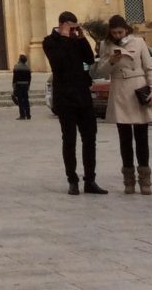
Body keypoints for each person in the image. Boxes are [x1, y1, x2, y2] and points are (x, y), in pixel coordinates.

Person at [42, 10, 107, 195]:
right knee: (69, 140)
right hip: (64, 98)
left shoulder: (77, 41)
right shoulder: (50, 42)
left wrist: (81, 38)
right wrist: (64, 38)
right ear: (62, 24)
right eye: (70, 26)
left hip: (83, 96)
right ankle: (72, 180)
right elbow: (58, 62)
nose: (73, 29)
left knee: (90, 139)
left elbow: (88, 58)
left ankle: (90, 180)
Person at [93, 14, 152, 194]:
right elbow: (101, 70)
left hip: (137, 89)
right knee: (124, 138)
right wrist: (112, 61)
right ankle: (128, 179)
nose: (117, 35)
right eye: (114, 32)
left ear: (126, 29)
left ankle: (145, 179)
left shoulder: (138, 42)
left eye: (120, 32)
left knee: (142, 136)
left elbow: (149, 68)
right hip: (120, 89)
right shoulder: (106, 45)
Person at [12, 54, 32, 120]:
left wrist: (14, 86)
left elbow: (15, 78)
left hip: (19, 85)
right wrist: (28, 86)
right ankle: (28, 115)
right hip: (25, 85)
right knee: (26, 100)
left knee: (20, 100)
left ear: (20, 60)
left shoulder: (16, 67)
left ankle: (22, 115)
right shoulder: (28, 68)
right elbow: (29, 78)